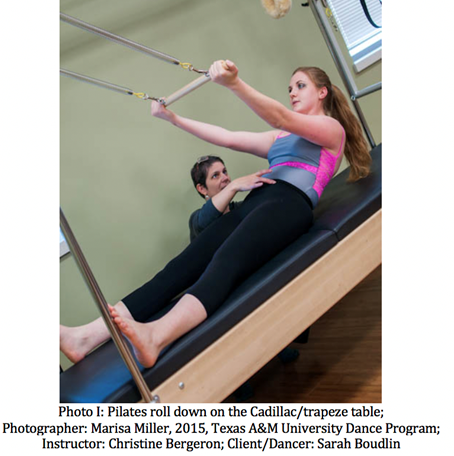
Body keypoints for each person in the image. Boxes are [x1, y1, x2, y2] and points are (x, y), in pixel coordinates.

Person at [60, 60, 371, 369]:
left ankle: (158, 336)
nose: (292, 92)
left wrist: (234, 83)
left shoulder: (331, 129)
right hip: (256, 201)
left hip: (289, 205)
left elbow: (280, 115)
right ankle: (85, 337)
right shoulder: (279, 138)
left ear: (322, 93)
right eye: (289, 88)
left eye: (300, 86)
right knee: (180, 266)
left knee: (225, 262)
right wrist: (173, 118)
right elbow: (226, 137)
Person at [189, 155, 275, 241]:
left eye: (224, 172)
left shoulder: (241, 207)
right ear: (202, 189)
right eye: (215, 176)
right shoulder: (196, 220)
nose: (225, 178)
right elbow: (204, 220)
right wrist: (234, 185)